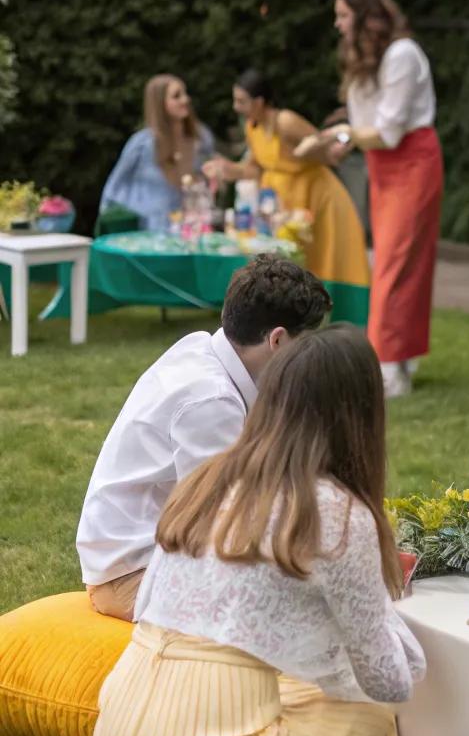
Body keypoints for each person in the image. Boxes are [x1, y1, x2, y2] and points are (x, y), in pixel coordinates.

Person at [35, 327, 425, 736]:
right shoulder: (335, 511)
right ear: (360, 417)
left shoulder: (207, 479)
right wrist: (389, 611)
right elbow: (389, 678)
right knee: (373, 719)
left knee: (293, 696)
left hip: (114, 734)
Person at [77, 255, 331, 621]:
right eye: (304, 345)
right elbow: (225, 526)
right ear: (277, 340)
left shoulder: (204, 349)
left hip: (141, 556)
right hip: (134, 575)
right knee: (294, 612)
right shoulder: (213, 401)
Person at [301, 0, 443, 399]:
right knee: (394, 260)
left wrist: (342, 133)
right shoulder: (364, 56)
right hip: (383, 166)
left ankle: (386, 369)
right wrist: (337, 143)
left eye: (344, 15)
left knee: (396, 264)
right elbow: (367, 125)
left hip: (412, 162)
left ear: (365, 17)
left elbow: (388, 131)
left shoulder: (401, 53)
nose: (338, 24)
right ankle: (401, 358)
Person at [204, 70, 370, 291]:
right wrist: (227, 169)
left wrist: (320, 148)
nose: (235, 107)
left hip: (317, 198)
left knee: (327, 259)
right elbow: (255, 169)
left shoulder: (285, 121)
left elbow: (325, 147)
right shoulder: (253, 127)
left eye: (241, 101)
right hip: (285, 207)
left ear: (260, 102)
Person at [99, 75, 214, 232]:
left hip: (191, 226)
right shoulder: (142, 144)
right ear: (160, 103)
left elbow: (208, 178)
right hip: (150, 229)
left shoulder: (200, 138)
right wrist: (107, 225)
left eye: (185, 93)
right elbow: (114, 186)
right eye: (176, 96)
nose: (185, 100)